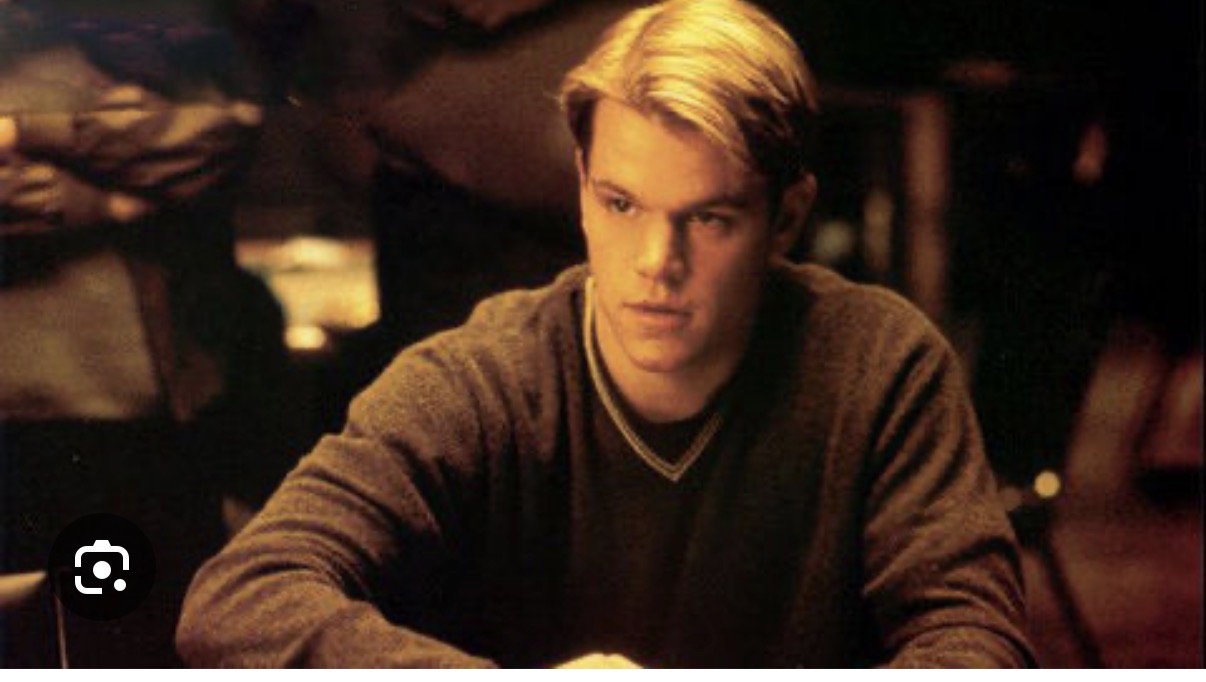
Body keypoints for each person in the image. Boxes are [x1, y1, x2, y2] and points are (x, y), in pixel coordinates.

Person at [176, 0, 1034, 667]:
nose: (657, 263)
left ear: (787, 218)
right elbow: (241, 596)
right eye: (622, 205)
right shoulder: (485, 378)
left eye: (710, 218)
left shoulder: (878, 364)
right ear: (583, 188)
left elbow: (976, 642)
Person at [1, 0, 290, 666]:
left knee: (151, 636)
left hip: (153, 412)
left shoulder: (153, 27)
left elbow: (219, 130)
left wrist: (21, 130)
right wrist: (109, 198)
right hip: (28, 407)